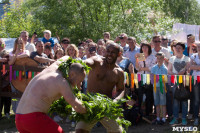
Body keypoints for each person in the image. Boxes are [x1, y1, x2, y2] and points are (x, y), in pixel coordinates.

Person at [15, 56, 87, 133]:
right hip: (33, 118)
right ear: (72, 74)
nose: (80, 84)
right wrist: (90, 109)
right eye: (80, 81)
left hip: (18, 118)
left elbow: (66, 57)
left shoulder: (52, 68)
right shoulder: (62, 82)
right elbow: (77, 107)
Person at [75, 43, 124, 133]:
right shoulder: (97, 61)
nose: (109, 54)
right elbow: (88, 62)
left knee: (117, 132)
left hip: (107, 105)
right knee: (80, 130)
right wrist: (83, 63)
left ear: (119, 54)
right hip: (89, 103)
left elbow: (121, 89)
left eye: (113, 52)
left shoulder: (119, 72)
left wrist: (116, 100)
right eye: (108, 51)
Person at [168, 42, 190, 125]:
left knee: (184, 101)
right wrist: (176, 75)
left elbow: (188, 70)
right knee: (175, 101)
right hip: (174, 82)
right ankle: (175, 118)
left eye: (179, 48)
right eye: (176, 47)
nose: (177, 49)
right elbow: (169, 70)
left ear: (183, 49)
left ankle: (184, 118)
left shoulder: (187, 58)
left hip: (184, 82)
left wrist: (184, 71)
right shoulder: (172, 59)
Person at [135, 41, 156, 117]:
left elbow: (152, 68)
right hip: (140, 77)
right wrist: (136, 59)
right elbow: (137, 68)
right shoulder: (140, 56)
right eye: (143, 47)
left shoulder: (153, 57)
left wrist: (143, 68)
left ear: (149, 48)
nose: (144, 49)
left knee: (149, 95)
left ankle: (148, 112)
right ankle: (141, 113)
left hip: (149, 78)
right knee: (140, 94)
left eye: (146, 47)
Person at [151, 52, 168, 125]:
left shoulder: (165, 68)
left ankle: (163, 118)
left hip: (162, 88)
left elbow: (166, 80)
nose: (159, 60)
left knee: (163, 103)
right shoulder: (154, 67)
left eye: (161, 58)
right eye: (158, 58)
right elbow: (152, 78)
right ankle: (158, 117)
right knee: (157, 103)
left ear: (163, 59)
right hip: (155, 87)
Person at [189, 43, 200, 126]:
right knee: (196, 100)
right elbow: (190, 67)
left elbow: (193, 66)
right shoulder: (193, 56)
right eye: (198, 46)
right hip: (196, 80)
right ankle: (196, 118)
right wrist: (195, 66)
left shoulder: (194, 58)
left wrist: (196, 66)